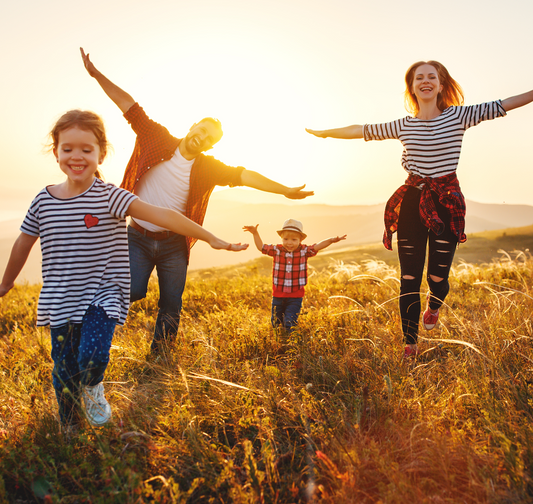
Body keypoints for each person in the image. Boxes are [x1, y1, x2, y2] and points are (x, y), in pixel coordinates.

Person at [0, 110, 247, 432]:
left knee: (91, 357)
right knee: (63, 370)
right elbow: (23, 242)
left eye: (87, 150)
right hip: (59, 300)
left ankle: (93, 387)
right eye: (68, 148)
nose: (77, 156)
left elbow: (164, 216)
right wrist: (6, 283)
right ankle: (69, 427)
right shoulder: (43, 201)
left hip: (102, 296)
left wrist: (211, 237)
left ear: (101, 152)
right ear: (56, 150)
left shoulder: (110, 196)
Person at [80, 48, 314, 354]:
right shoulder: (156, 138)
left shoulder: (207, 168)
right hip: (136, 236)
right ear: (192, 127)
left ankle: (160, 356)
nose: (201, 139)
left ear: (210, 145)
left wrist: (284, 190)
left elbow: (245, 175)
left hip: (174, 243)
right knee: (133, 289)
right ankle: (86, 316)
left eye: (208, 139)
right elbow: (129, 106)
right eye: (200, 131)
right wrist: (97, 75)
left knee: (171, 302)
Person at [306, 61, 533, 358]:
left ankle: (434, 305)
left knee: (437, 278)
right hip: (413, 202)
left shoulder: (459, 115)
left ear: (441, 85)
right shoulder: (403, 125)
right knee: (409, 278)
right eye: (418, 78)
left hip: (446, 201)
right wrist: (325, 133)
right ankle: (409, 344)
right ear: (412, 87)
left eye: (431, 77)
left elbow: (504, 104)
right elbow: (361, 129)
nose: (425, 81)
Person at [244, 219, 346, 334]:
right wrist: (255, 233)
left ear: (300, 240)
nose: (289, 243)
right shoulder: (277, 250)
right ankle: (280, 341)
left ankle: (291, 342)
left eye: (294, 239)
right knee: (276, 322)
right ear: (281, 238)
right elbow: (261, 247)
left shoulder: (304, 251)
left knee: (290, 321)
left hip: (296, 296)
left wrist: (331, 240)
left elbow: (317, 246)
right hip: (278, 294)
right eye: (286, 239)